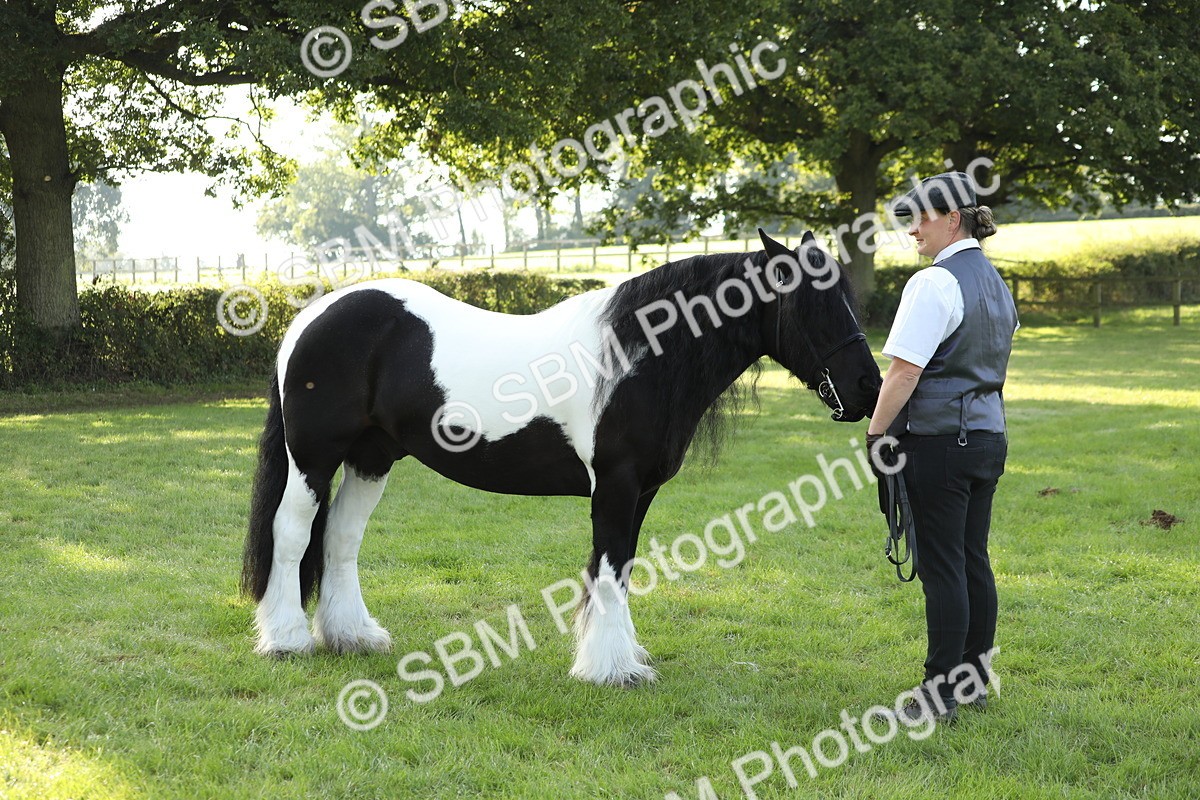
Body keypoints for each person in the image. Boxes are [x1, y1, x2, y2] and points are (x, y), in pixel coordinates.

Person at [867, 171, 1018, 725]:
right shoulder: (996, 283)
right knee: (973, 559)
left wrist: (876, 433)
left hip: (939, 443)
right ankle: (973, 680)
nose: (912, 231)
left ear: (952, 218)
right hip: (988, 438)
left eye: (920, 219)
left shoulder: (934, 282)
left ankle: (938, 694)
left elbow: (904, 371)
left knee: (943, 566)